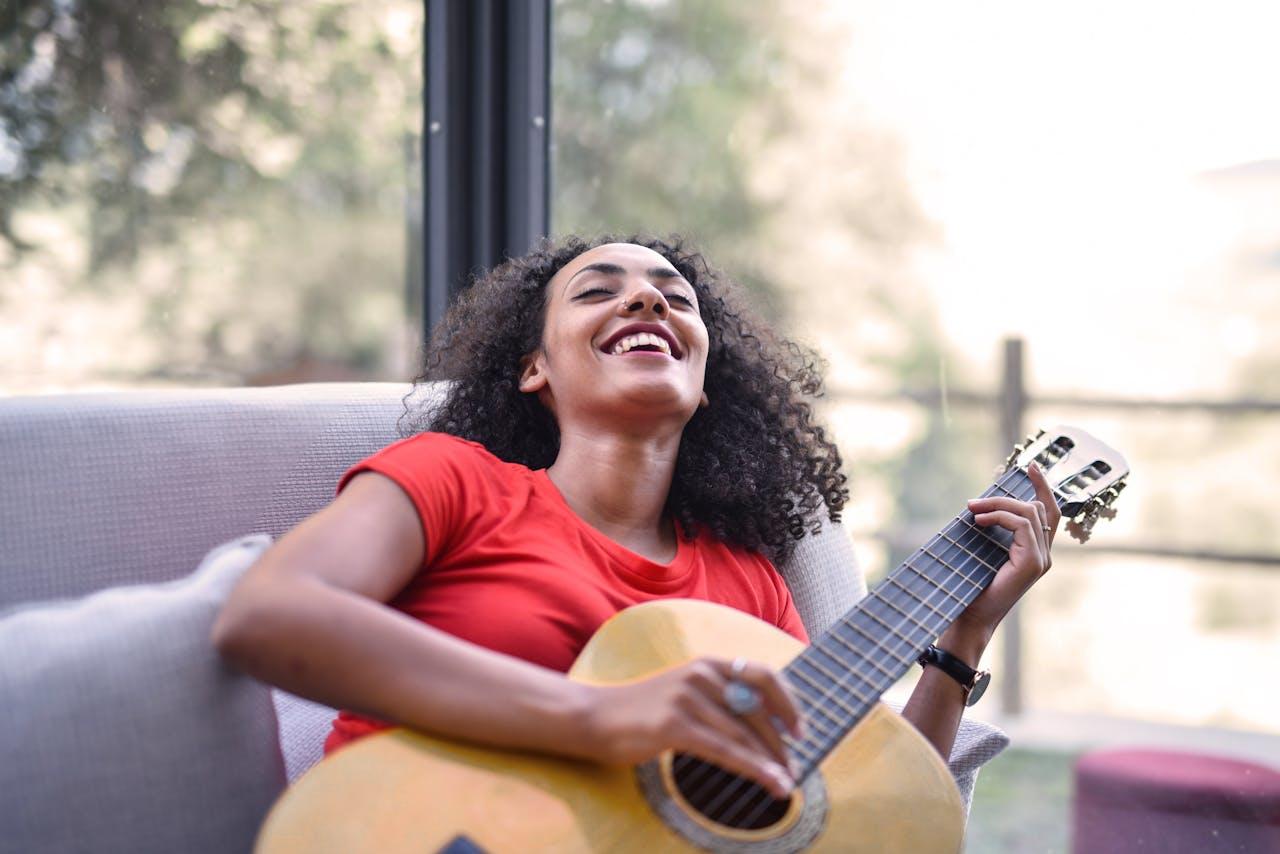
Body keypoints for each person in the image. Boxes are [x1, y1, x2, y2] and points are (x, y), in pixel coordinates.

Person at [212, 235, 1059, 801]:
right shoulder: (453, 481)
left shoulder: (749, 583)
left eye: (674, 297)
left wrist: (964, 641)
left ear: (704, 370)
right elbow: (267, 616)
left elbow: (858, 817)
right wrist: (600, 719)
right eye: (599, 291)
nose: (648, 303)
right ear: (534, 367)